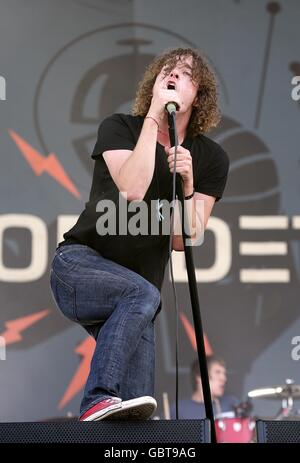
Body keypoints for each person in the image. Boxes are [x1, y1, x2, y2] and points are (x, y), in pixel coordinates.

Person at [50, 47, 229, 421]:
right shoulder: (120, 128)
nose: (175, 74)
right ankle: (97, 395)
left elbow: (184, 239)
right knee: (142, 295)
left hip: (137, 299)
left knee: (136, 408)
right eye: (169, 69)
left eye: (186, 73)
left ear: (200, 95)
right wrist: (153, 116)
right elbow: (132, 189)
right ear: (155, 84)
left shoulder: (210, 158)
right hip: (79, 265)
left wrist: (190, 185)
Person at [170, 356, 239, 419]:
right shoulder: (178, 409)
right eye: (217, 372)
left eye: (224, 374)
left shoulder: (231, 404)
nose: (224, 378)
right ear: (200, 377)